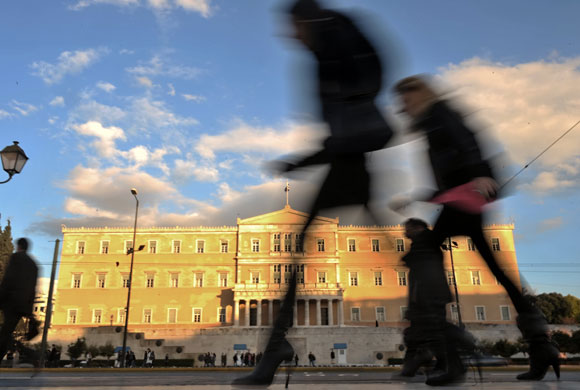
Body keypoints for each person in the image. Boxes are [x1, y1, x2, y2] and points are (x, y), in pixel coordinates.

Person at [233, 1, 393, 386]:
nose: (290, 36)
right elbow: (339, 119)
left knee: (357, 242)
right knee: (316, 241)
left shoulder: (339, 37)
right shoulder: (324, 53)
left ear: (305, 20)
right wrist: (301, 161)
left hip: (352, 154)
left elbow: (370, 78)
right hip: (346, 155)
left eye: (292, 27)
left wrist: (355, 112)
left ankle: (434, 324)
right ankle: (435, 325)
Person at [393, 75, 560, 384]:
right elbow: (448, 171)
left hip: (465, 197)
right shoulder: (431, 121)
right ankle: (542, 346)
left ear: (418, 94)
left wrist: (480, 173)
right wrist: (418, 196)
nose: (402, 105)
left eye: (405, 98)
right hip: (463, 198)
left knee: (425, 254)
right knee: (497, 271)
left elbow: (468, 141)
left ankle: (451, 350)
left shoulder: (440, 114)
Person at [0, 238, 38, 364]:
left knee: (5, 333)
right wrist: (29, 310)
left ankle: (28, 353)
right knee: (6, 332)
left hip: (11, 302)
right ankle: (28, 353)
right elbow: (33, 289)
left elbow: (8, 279)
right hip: (23, 305)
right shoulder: (33, 265)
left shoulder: (16, 258)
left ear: (19, 246)